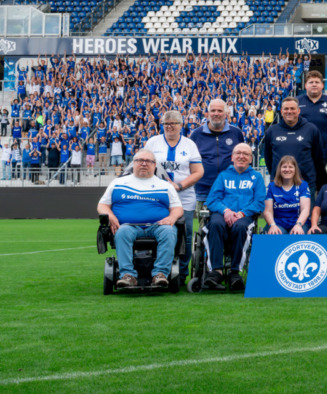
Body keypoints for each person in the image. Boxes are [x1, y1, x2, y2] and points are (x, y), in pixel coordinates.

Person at [97, 149, 182, 289]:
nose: (143, 164)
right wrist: (110, 216)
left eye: (148, 161)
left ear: (155, 165)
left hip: (158, 226)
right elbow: (102, 205)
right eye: (139, 161)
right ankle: (128, 276)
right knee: (122, 232)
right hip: (128, 226)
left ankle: (160, 274)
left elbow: (177, 208)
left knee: (169, 231)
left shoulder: (165, 185)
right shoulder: (118, 183)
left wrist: (172, 217)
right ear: (133, 163)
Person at [145, 110, 204, 274]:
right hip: (156, 197)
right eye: (166, 123)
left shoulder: (189, 144)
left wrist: (179, 186)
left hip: (184, 197)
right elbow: (142, 166)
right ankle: (157, 270)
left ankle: (182, 273)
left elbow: (198, 172)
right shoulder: (152, 143)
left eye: (173, 123)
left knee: (185, 235)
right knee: (157, 232)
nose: (169, 126)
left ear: (181, 125)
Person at [203, 143, 265, 290]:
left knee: (241, 226)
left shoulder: (256, 177)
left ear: (251, 159)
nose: (241, 156)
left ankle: (235, 273)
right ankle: (215, 272)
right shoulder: (223, 176)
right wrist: (226, 211)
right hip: (223, 214)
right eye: (238, 153)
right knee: (215, 224)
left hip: (245, 215)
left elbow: (259, 202)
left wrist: (242, 213)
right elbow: (212, 200)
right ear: (232, 157)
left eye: (245, 154)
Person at [264, 97, 324, 196]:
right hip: (279, 184)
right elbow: (268, 158)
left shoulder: (311, 129)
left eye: (292, 108)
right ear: (281, 111)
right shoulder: (272, 131)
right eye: (286, 109)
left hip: (306, 184)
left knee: (306, 212)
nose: (289, 111)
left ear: (298, 110)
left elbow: (318, 158)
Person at [190, 98, 245, 202]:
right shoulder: (196, 135)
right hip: (203, 191)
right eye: (213, 110)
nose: (216, 113)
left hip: (231, 190)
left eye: (220, 111)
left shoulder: (236, 133)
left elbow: (243, 159)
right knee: (205, 218)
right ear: (208, 113)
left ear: (226, 113)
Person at [264, 155, 311, 235]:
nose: (287, 170)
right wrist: (272, 225)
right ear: (280, 169)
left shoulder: (303, 185)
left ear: (295, 169)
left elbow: (305, 210)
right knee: (276, 234)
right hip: (278, 223)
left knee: (296, 233)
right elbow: (267, 211)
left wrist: (298, 225)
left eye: (290, 167)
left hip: (298, 222)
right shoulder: (272, 186)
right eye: (284, 167)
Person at [296, 69, 327, 146]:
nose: (314, 84)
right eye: (311, 82)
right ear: (305, 85)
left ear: (322, 85)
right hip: (301, 148)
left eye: (317, 82)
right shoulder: (296, 102)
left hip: (325, 148)